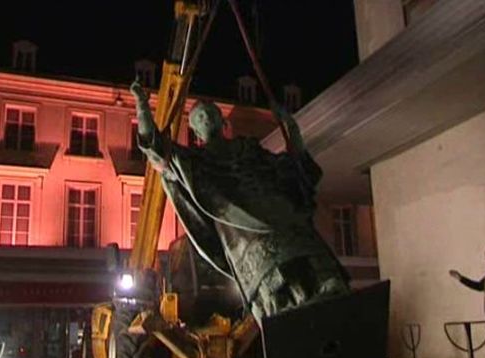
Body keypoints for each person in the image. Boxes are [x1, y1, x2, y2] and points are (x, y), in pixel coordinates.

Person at [130, 81, 350, 323]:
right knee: (276, 278)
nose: (206, 118)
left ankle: (332, 289)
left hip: (277, 211)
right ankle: (284, 309)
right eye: (200, 117)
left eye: (210, 114)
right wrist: (142, 105)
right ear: (195, 132)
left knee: (308, 247)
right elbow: (156, 151)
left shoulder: (248, 148)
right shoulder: (196, 161)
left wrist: (291, 127)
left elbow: (288, 165)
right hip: (240, 227)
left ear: (221, 121)